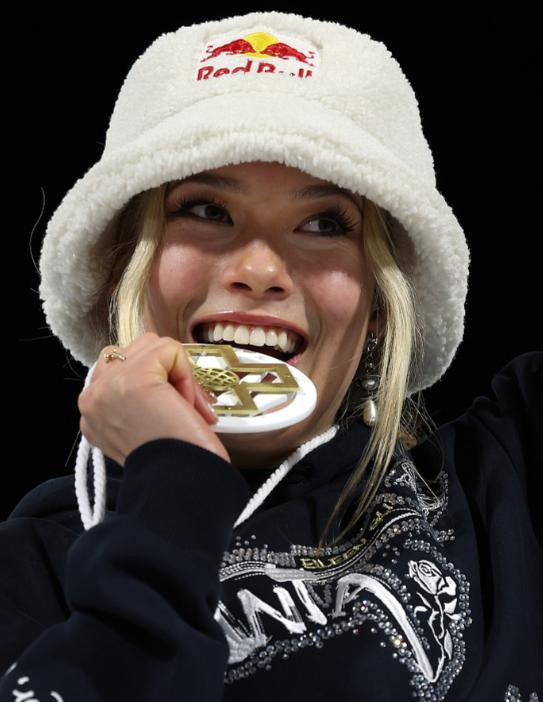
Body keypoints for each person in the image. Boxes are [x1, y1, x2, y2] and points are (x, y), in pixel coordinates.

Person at [1, 10, 541, 702]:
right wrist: (175, 479)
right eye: (206, 210)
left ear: (379, 303)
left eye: (324, 223)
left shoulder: (508, 478)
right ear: (119, 270)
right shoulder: (29, 569)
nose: (259, 270)